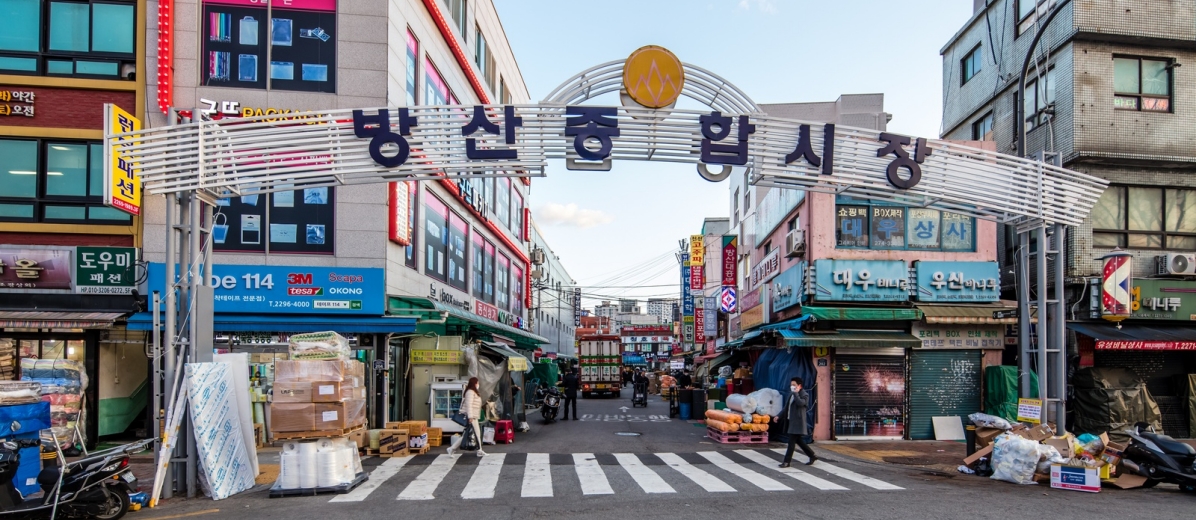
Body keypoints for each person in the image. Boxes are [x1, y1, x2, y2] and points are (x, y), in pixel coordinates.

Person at [774, 377, 816, 467]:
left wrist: (796, 394)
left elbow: (801, 403)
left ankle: (787, 461)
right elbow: (786, 408)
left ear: (799, 386)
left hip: (798, 422)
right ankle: (812, 455)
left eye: (794, 385)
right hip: (791, 421)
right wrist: (778, 416)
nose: (792, 386)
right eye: (791, 385)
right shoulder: (791, 394)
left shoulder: (804, 394)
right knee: (799, 441)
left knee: (791, 442)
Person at [447, 377, 486, 457]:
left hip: (474, 416)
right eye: (477, 383)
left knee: (475, 434)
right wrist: (470, 417)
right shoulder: (470, 392)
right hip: (471, 417)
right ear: (474, 383)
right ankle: (452, 448)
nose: (478, 384)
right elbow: (469, 405)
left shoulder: (474, 392)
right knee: (471, 434)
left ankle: (479, 450)